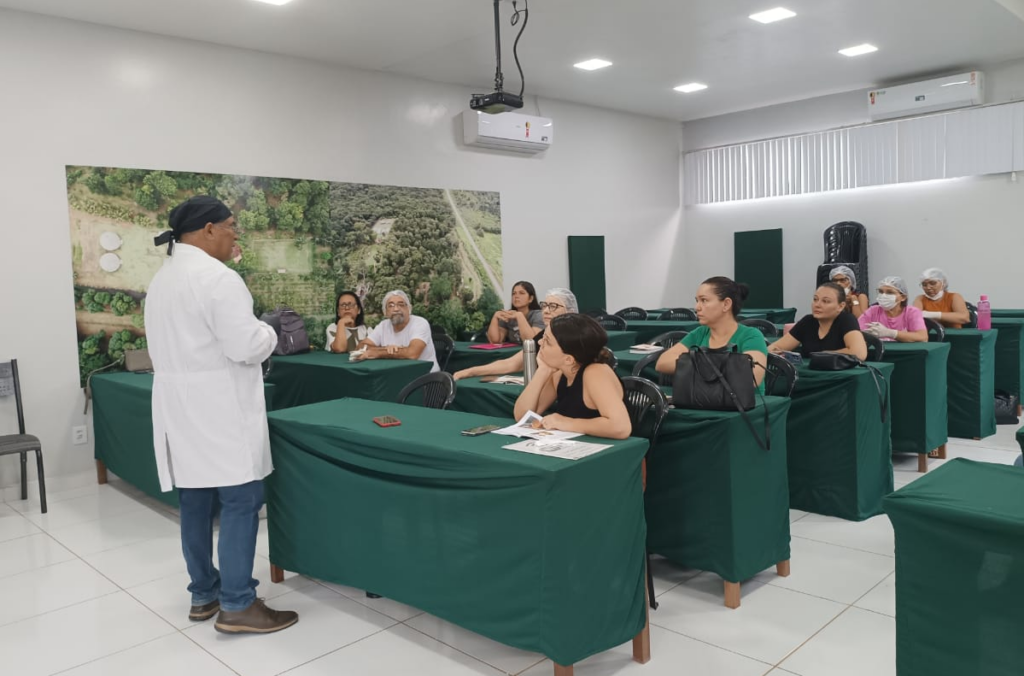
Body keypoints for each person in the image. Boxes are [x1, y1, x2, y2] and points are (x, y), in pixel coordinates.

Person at [145, 195, 298, 634]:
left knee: (194, 500)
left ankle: (204, 593)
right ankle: (238, 603)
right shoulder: (217, 278)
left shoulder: (163, 280)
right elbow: (246, 346)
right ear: (208, 229)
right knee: (241, 501)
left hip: (180, 407)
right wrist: (268, 328)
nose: (236, 234)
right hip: (220, 407)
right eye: (231, 225)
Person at [513, 314, 631, 439]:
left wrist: (567, 423)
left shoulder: (596, 372)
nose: (540, 342)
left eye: (547, 341)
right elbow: (523, 416)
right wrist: (542, 371)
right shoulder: (558, 375)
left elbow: (620, 428)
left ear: (568, 359)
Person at [655, 276, 767, 392]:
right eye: (697, 301)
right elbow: (663, 363)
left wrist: (697, 365)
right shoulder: (700, 333)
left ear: (726, 304)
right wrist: (719, 367)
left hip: (742, 407)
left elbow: (752, 376)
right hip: (703, 401)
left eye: (704, 300)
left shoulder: (751, 335)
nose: (697, 307)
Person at [452, 288, 577, 381]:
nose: (546, 311)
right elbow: (512, 363)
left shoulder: (577, 337)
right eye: (544, 306)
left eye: (553, 306)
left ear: (570, 311)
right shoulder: (542, 336)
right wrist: (470, 372)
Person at [769, 282, 867, 360]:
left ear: (841, 306)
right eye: (815, 299)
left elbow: (859, 353)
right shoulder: (807, 321)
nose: (817, 305)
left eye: (826, 301)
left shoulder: (846, 320)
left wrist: (822, 355)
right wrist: (771, 351)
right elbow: (777, 347)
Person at [354, 290, 439, 371]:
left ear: (409, 309)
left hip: (427, 378)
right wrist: (385, 349)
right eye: (391, 306)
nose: (396, 309)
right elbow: (361, 346)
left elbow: (412, 354)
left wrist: (377, 353)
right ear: (385, 312)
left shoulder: (420, 323)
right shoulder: (383, 325)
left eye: (401, 305)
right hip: (398, 375)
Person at [858, 276, 928, 342]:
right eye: (881, 292)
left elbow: (923, 337)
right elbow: (857, 332)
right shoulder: (873, 311)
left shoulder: (912, 312)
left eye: (890, 292)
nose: (884, 296)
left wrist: (891, 333)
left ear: (903, 297)